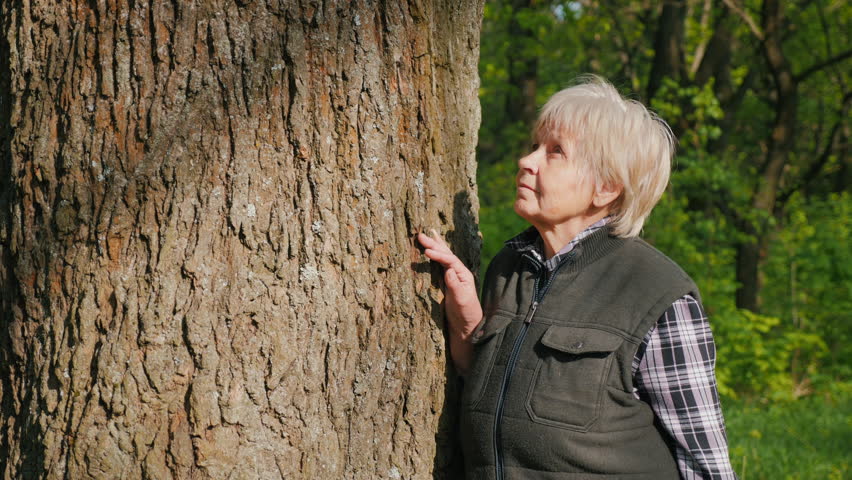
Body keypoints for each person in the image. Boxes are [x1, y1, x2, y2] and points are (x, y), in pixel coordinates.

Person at [417, 76, 737, 479]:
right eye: (534, 146)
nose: (526, 161)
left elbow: (705, 463)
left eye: (555, 152)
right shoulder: (510, 267)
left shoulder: (658, 293)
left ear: (605, 187)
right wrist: (466, 324)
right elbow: (486, 393)